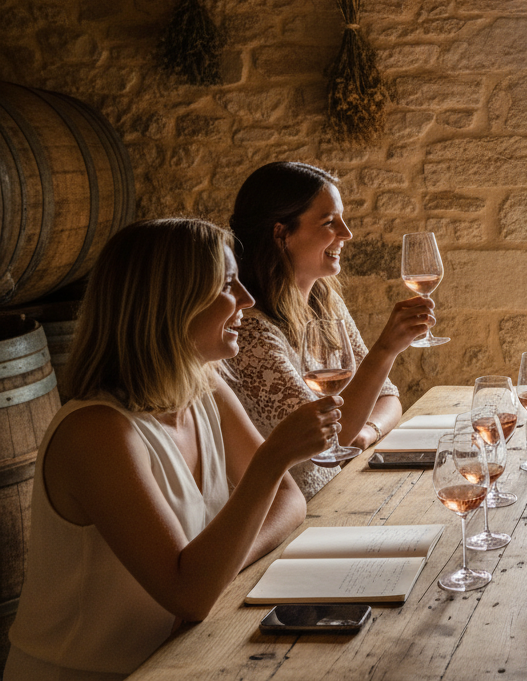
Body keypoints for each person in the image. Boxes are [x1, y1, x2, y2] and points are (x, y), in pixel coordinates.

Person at [4, 219, 336, 681]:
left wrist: (215, 571)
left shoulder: (206, 387)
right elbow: (190, 596)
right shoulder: (97, 432)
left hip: (178, 660)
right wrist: (273, 457)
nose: (247, 299)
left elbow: (290, 501)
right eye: (227, 285)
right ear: (167, 304)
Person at [228, 162, 431, 499]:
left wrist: (368, 430)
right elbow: (329, 440)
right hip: (298, 512)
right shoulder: (249, 330)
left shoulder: (324, 301)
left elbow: (388, 398)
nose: (347, 233)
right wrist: (386, 349)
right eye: (329, 222)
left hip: (342, 491)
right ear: (281, 234)